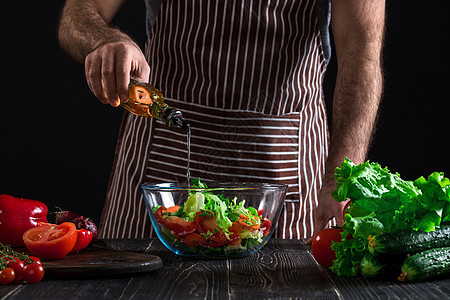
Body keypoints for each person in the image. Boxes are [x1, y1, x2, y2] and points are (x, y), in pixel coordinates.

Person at [58, 0, 385, 240]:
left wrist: (341, 180)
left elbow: (362, 55)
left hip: (284, 173)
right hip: (160, 164)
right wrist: (103, 40)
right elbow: (79, 12)